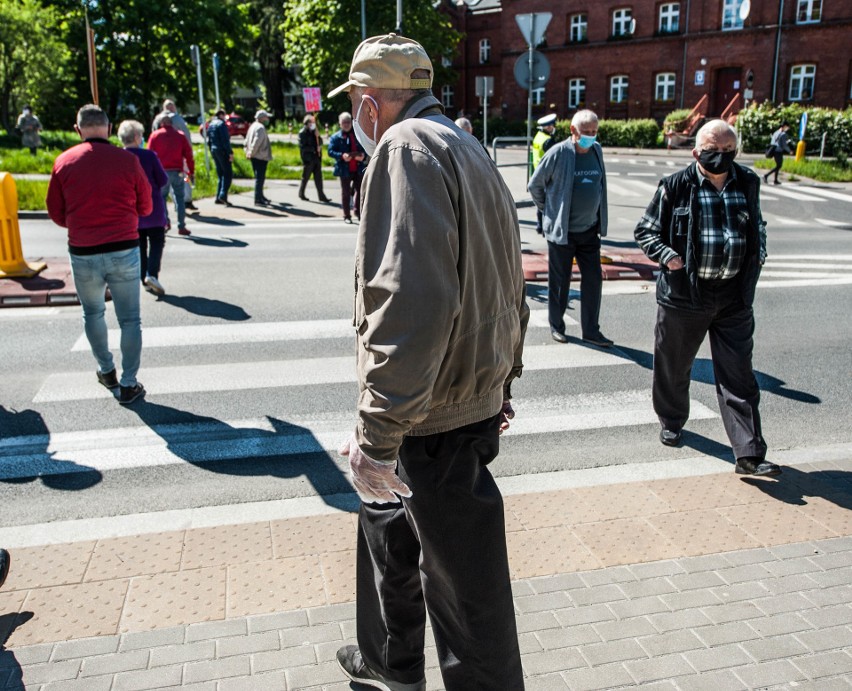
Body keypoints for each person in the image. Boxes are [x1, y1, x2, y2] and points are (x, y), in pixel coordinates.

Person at [328, 33, 529, 691]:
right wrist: (503, 377)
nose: (352, 116)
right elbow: (508, 280)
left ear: (371, 101)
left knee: (467, 594)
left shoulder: (404, 147)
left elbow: (409, 301)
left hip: (430, 412)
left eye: (354, 102)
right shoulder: (465, 143)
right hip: (459, 394)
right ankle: (388, 657)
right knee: (385, 527)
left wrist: (378, 432)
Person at [634, 119, 781, 477]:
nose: (721, 157)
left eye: (728, 151)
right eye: (714, 151)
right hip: (685, 294)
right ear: (697, 151)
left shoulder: (747, 182)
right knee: (673, 364)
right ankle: (671, 420)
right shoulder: (675, 186)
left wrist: (757, 254)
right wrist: (668, 257)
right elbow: (645, 230)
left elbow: (756, 224)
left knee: (739, 375)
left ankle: (749, 453)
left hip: (733, 296)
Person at [46, 104, 150, 405]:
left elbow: (56, 212)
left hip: (83, 251)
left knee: (92, 313)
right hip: (124, 248)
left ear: (78, 129)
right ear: (108, 127)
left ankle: (106, 371)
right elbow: (146, 207)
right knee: (130, 319)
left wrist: (81, 224)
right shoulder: (127, 161)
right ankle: (129, 384)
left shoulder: (64, 161)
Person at [528, 109, 613, 348]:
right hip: (562, 234)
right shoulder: (558, 153)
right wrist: (550, 211)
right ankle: (557, 326)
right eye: (587, 132)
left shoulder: (596, 151)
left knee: (594, 281)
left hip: (589, 231)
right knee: (559, 282)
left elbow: (600, 186)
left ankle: (591, 331)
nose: (591, 136)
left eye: (595, 132)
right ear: (573, 131)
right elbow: (535, 186)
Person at [119, 120, 169, 296]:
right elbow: (163, 180)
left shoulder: (118, 157)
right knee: (157, 242)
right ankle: (152, 274)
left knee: (139, 245)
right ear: (136, 137)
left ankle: (143, 276)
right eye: (140, 135)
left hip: (130, 210)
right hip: (152, 207)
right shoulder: (149, 156)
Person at [148, 113, 195, 236]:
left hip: (161, 172)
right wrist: (191, 171)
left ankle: (166, 222)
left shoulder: (155, 135)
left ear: (161, 123)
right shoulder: (180, 136)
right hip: (177, 171)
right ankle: (181, 226)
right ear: (172, 123)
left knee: (162, 198)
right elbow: (189, 155)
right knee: (180, 198)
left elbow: (150, 155)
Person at [327, 111, 367, 223]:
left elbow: (366, 148)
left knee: (360, 191)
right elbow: (330, 151)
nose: (346, 124)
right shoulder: (336, 137)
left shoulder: (358, 135)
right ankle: (346, 215)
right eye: (344, 122)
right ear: (340, 123)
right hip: (344, 168)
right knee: (345, 192)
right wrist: (341, 156)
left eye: (348, 122)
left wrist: (363, 156)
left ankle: (358, 212)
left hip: (358, 167)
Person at [162, 99, 198, 211]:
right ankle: (186, 200)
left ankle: (177, 202)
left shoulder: (158, 120)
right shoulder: (178, 119)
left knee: (170, 183)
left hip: (163, 158)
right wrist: (189, 153)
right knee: (185, 177)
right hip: (179, 157)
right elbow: (186, 136)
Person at [531, 113, 558, 234]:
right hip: (548, 174)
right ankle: (546, 227)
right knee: (548, 202)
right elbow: (554, 159)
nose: (553, 128)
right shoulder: (548, 141)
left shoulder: (538, 136)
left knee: (540, 201)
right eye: (552, 126)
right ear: (547, 127)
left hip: (537, 172)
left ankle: (539, 225)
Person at [298, 114, 331, 202]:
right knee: (305, 177)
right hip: (308, 159)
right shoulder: (303, 133)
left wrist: (318, 137)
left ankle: (321, 196)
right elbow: (302, 147)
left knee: (318, 178)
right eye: (312, 122)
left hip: (317, 158)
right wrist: (313, 149)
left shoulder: (314, 131)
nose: (314, 124)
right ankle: (301, 193)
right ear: (307, 123)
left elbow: (320, 142)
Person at [244, 109, 273, 206]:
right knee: (260, 179)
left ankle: (261, 196)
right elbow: (257, 142)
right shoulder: (260, 128)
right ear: (261, 118)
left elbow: (246, 140)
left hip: (255, 156)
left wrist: (247, 152)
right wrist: (251, 152)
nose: (267, 119)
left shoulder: (252, 126)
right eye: (266, 117)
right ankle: (258, 199)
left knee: (259, 178)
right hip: (260, 156)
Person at [207, 109, 234, 206]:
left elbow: (209, 140)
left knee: (220, 174)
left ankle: (218, 196)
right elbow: (225, 140)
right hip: (222, 151)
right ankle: (223, 195)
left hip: (214, 151)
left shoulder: (211, 124)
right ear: (221, 115)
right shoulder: (221, 125)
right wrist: (230, 153)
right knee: (227, 174)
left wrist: (211, 151)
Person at [764, 121, 793, 186]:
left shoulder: (776, 132)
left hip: (774, 150)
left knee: (778, 165)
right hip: (779, 151)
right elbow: (784, 145)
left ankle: (775, 180)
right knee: (779, 165)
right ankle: (766, 175)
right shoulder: (783, 134)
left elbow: (772, 142)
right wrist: (789, 151)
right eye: (787, 127)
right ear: (784, 126)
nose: (788, 128)